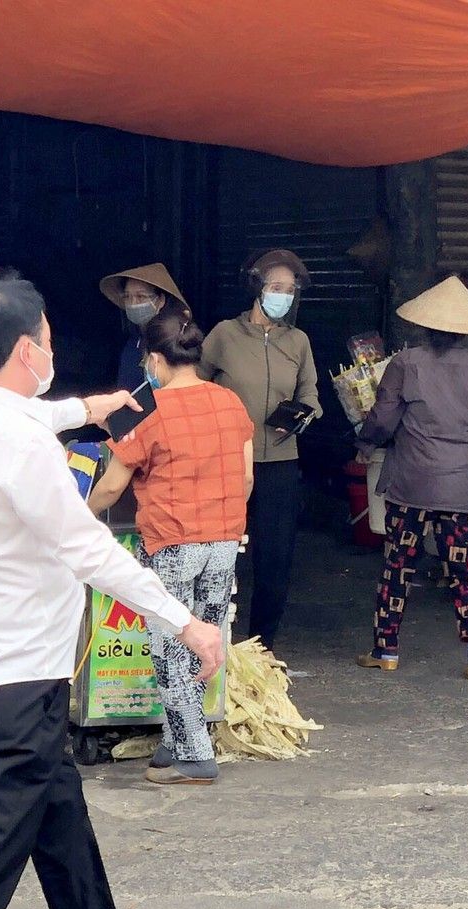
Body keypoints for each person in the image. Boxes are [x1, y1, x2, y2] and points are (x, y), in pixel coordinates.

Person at [0, 280, 224, 909]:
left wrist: (91, 406)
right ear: (29, 350)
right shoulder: (23, 446)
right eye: (50, 341)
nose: (52, 352)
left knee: (60, 823)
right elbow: (91, 551)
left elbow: (30, 416)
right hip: (20, 677)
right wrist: (187, 622)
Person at [89, 309, 254, 785]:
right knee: (207, 641)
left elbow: (109, 489)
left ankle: (196, 757)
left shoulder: (152, 415)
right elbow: (244, 479)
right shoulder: (230, 403)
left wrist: (77, 519)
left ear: (155, 360)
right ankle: (181, 735)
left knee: (171, 645)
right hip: (224, 541)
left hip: (172, 543)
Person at [354, 277, 468, 681]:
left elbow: (383, 418)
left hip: (412, 484)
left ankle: (385, 648)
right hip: (460, 487)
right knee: (465, 570)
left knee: (398, 565)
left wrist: (365, 442)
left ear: (424, 326)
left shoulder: (406, 363)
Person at [199, 248, 321, 654]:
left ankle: (260, 645)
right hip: (228, 461)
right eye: (275, 287)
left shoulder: (299, 341)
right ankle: (209, 640)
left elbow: (310, 392)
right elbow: (194, 386)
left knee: (275, 555)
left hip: (281, 462)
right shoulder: (223, 336)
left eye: (290, 289)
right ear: (256, 288)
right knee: (217, 551)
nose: (283, 295)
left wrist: (307, 412)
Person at [98, 262, 191, 390]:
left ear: (161, 300)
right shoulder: (132, 344)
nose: (133, 303)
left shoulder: (177, 343)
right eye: (127, 297)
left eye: (140, 296)